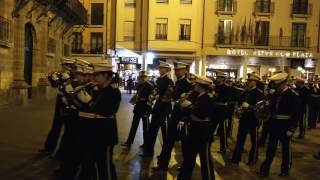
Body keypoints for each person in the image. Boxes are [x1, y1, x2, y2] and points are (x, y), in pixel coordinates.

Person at [76, 63, 121, 180]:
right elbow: (87, 109)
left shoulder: (113, 91)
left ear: (106, 75)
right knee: (88, 162)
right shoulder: (96, 89)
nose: (94, 77)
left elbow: (108, 111)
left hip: (105, 134)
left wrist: (89, 101)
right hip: (92, 132)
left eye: (97, 75)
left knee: (104, 165)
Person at [153, 61, 193, 171]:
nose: (177, 71)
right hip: (174, 115)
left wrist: (183, 118)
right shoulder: (177, 82)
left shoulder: (187, 84)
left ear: (185, 70)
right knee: (169, 141)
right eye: (176, 70)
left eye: (179, 70)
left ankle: (186, 166)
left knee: (185, 144)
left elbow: (188, 103)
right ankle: (163, 164)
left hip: (182, 117)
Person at [259, 73, 299, 177]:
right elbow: (268, 109)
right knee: (270, 148)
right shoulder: (274, 94)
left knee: (285, 149)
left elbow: (296, 113)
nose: (276, 87)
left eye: (278, 85)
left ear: (284, 83)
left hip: (286, 125)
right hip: (274, 124)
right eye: (275, 85)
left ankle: (285, 169)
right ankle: (265, 169)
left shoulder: (292, 95)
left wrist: (292, 128)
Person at [177, 76, 215, 180]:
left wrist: (189, 106)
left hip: (203, 131)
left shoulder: (207, 98)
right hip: (195, 130)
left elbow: (201, 114)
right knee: (189, 157)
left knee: (205, 159)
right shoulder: (199, 96)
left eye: (196, 84)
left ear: (200, 86)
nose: (194, 86)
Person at [39, 58, 77, 156]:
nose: (63, 67)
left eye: (65, 65)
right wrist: (52, 78)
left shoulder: (74, 76)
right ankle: (49, 148)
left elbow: (72, 89)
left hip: (69, 101)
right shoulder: (62, 74)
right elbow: (55, 85)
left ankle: (62, 151)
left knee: (68, 128)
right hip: (60, 100)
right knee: (56, 125)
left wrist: (67, 79)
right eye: (63, 65)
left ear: (70, 66)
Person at [231, 73, 264, 166]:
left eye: (250, 81)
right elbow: (240, 102)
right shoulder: (245, 92)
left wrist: (250, 107)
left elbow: (261, 108)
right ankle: (236, 158)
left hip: (253, 119)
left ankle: (252, 159)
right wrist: (239, 109)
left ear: (255, 82)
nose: (248, 82)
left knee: (254, 141)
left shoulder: (259, 93)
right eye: (248, 81)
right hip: (244, 118)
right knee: (240, 139)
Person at [143, 61, 174, 156]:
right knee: (153, 130)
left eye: (162, 68)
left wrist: (158, 97)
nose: (160, 69)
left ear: (167, 70)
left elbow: (167, 97)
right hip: (158, 107)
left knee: (163, 133)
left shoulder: (169, 81)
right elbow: (156, 90)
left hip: (164, 109)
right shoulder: (159, 80)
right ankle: (149, 151)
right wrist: (152, 95)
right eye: (159, 68)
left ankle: (164, 153)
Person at [121, 71, 154, 149]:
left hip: (145, 108)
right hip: (138, 108)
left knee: (145, 127)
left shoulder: (150, 86)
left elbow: (151, 99)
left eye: (144, 77)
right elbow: (137, 95)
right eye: (141, 77)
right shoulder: (139, 85)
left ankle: (146, 144)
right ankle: (129, 142)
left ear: (146, 77)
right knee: (134, 125)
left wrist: (147, 109)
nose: (142, 78)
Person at [212, 71, 231, 154]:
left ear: (223, 79)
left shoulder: (226, 88)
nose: (217, 78)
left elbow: (224, 99)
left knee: (223, 131)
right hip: (215, 110)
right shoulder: (216, 87)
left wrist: (215, 97)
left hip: (222, 111)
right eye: (217, 77)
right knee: (211, 129)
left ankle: (223, 147)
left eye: (219, 77)